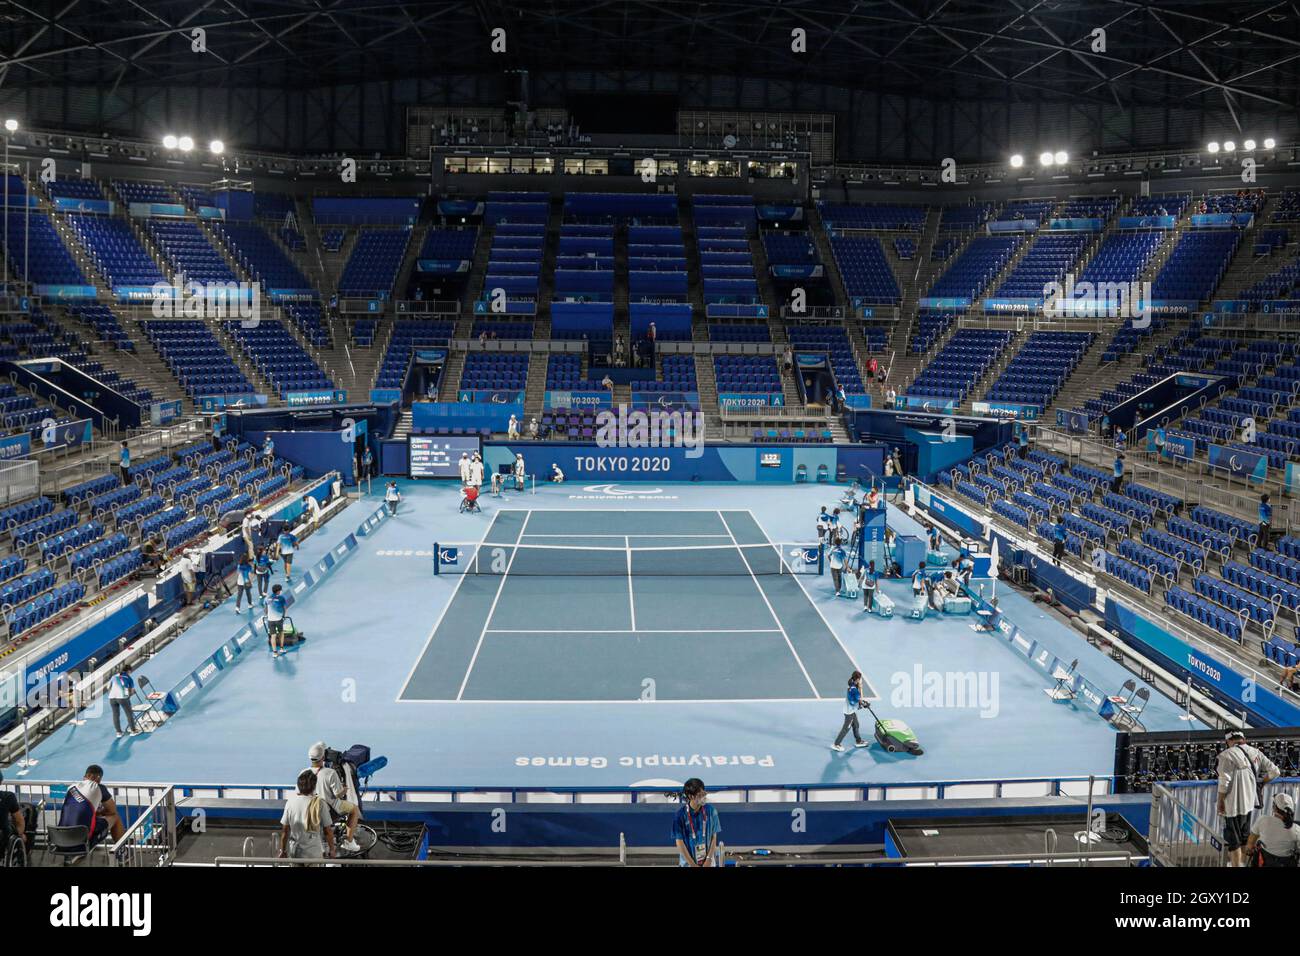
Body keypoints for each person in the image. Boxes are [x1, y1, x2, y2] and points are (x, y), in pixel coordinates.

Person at [1217, 729, 1280, 866]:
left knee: (1234, 842)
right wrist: (1262, 782)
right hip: (1249, 803)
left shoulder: (1226, 755)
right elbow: (1275, 771)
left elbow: (1224, 782)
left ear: (1228, 741)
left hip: (1232, 805)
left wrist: (1220, 801)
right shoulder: (1256, 752)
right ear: (1243, 739)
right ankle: (1242, 864)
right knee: (1244, 838)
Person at [307, 742, 361, 853]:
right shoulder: (330, 773)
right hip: (331, 810)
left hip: (311, 810)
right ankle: (349, 842)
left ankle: (320, 843)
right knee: (354, 809)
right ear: (323, 757)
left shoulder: (304, 773)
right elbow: (338, 794)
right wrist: (344, 790)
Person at [57, 765, 125, 849]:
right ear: (98, 778)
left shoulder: (71, 787)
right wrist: (100, 812)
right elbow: (112, 810)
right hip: (81, 837)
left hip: (60, 837)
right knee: (115, 817)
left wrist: (94, 812)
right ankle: (123, 852)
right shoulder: (99, 787)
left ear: (85, 776)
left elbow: (75, 809)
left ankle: (74, 856)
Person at [279, 768, 335, 862]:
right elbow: (327, 831)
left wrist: (283, 850)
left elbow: (285, 830)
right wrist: (332, 850)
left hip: (295, 853)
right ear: (314, 786)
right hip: (314, 853)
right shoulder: (320, 803)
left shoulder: (290, 802)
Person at [671, 778, 720, 867]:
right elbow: (679, 842)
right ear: (691, 796)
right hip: (688, 864)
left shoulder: (711, 811)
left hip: (708, 863)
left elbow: (714, 837)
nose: (704, 797)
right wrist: (692, 864)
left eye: (704, 793)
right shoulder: (680, 815)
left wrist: (709, 859)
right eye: (700, 795)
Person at [1246, 792, 1300, 867]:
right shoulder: (1296, 829)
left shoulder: (1263, 820)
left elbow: (1250, 845)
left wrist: (1249, 851)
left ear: (1274, 807)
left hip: (1264, 863)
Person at [832, 671, 870, 752]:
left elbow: (859, 700)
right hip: (849, 712)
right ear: (857, 679)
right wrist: (861, 688)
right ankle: (836, 744)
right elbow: (860, 699)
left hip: (851, 710)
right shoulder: (854, 690)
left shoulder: (852, 683)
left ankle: (858, 741)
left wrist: (861, 701)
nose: (861, 680)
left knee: (856, 724)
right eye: (861, 679)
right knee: (846, 728)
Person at [106, 664, 140, 738]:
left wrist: (113, 694)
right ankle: (133, 731)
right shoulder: (129, 678)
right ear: (128, 671)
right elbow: (131, 691)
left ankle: (118, 733)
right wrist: (129, 695)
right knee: (129, 713)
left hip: (112, 698)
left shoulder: (114, 676)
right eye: (131, 671)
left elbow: (108, 687)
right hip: (122, 698)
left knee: (115, 715)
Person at [265, 583, 288, 657]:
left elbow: (265, 608)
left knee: (273, 636)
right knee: (281, 633)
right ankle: (281, 649)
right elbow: (284, 608)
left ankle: (275, 653)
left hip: (270, 620)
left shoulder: (267, 598)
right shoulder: (281, 598)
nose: (281, 591)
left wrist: (266, 615)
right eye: (280, 590)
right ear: (278, 591)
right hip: (278, 619)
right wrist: (284, 616)